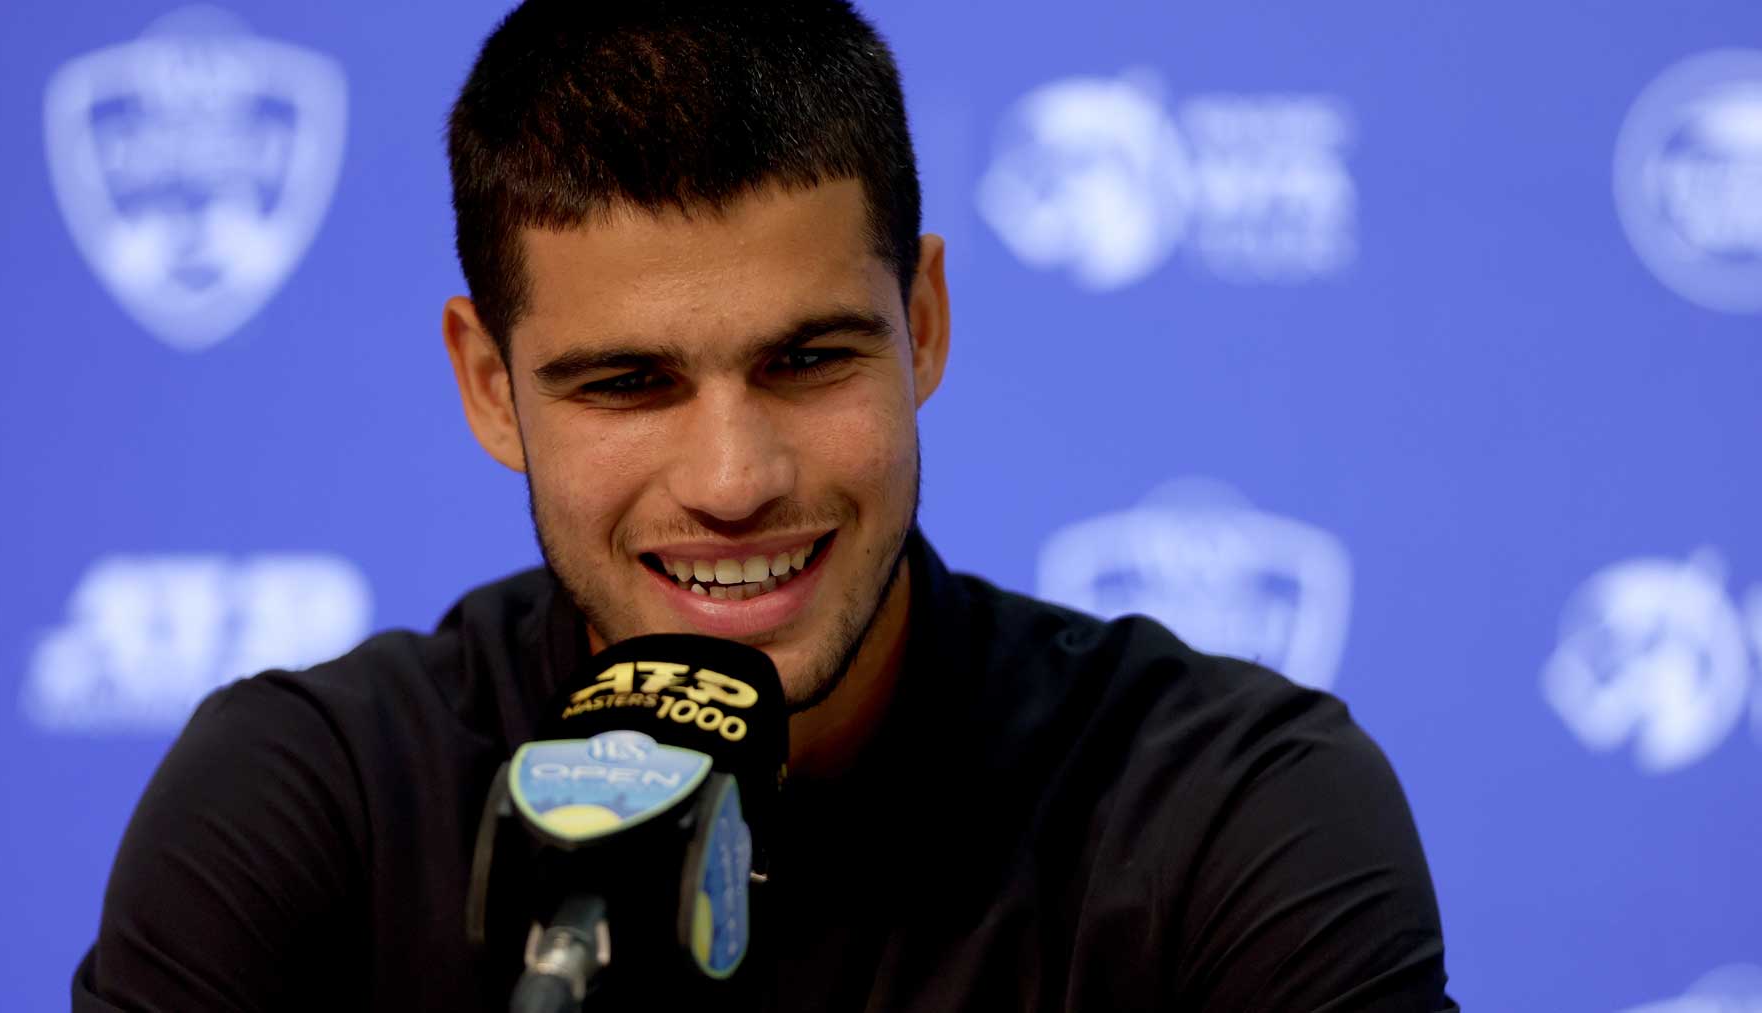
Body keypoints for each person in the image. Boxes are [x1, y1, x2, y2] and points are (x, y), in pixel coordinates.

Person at [74, 2, 1457, 1010]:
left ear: (923, 318)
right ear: (491, 387)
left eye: (808, 360)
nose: (735, 480)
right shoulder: (310, 808)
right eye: (627, 383)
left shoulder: (1232, 810)